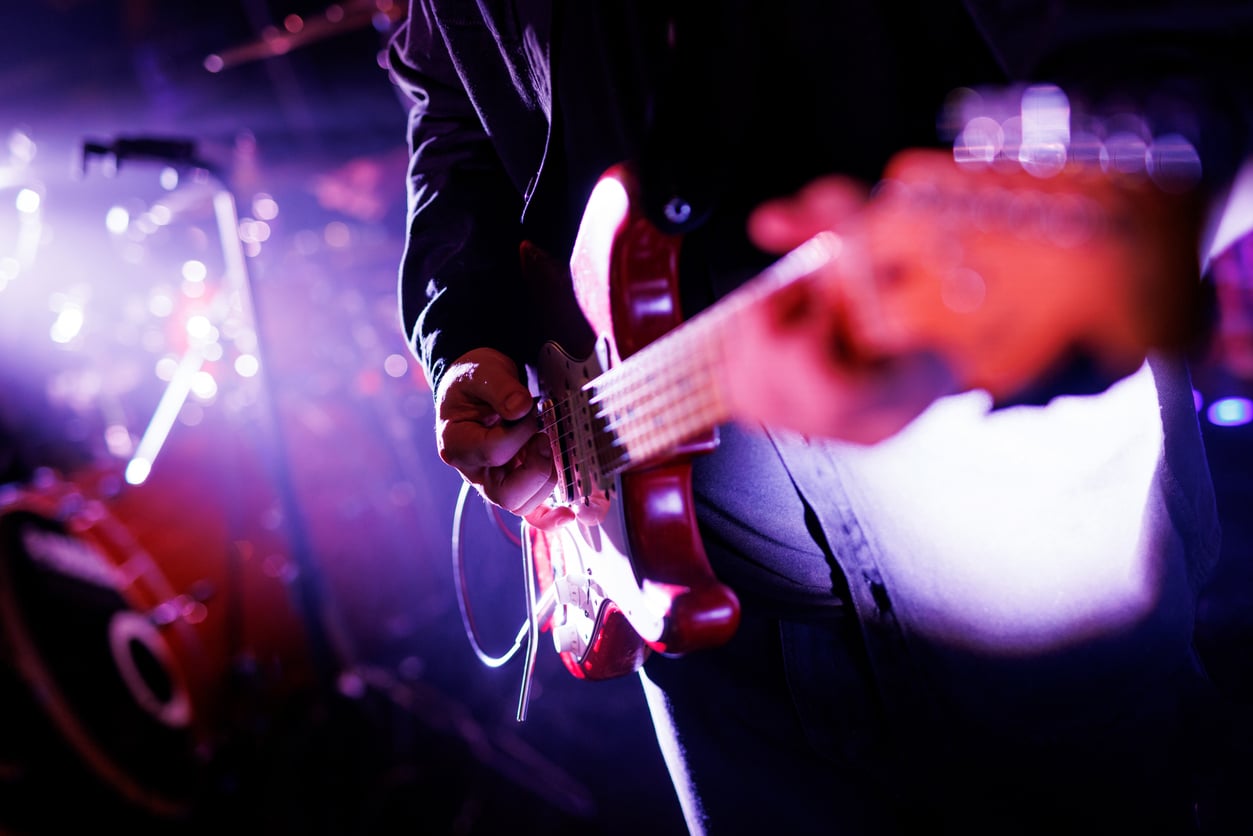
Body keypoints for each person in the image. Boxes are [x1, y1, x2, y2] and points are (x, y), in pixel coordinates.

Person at [386, 2, 1251, 833]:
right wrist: (464, 330)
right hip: (683, 573)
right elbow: (446, 96)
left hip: (989, 465)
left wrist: (1142, 159)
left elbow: (1173, 46)